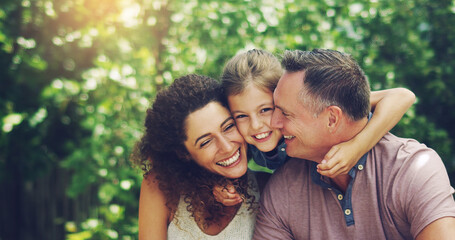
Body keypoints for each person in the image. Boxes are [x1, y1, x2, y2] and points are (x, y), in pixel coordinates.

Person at [253, 49, 455, 239]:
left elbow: (403, 95)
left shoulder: (412, 169)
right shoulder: (283, 189)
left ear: (332, 119)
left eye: (285, 114)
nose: (273, 123)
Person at [214, 49, 416, 206]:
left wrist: (357, 146)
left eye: (266, 109)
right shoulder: (243, 138)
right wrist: (223, 182)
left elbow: (403, 96)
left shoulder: (309, 109)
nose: (256, 126)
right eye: (241, 116)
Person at [132, 74, 259, 239]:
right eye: (206, 142)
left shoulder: (268, 186)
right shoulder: (160, 187)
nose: (227, 147)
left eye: (228, 127)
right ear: (183, 153)